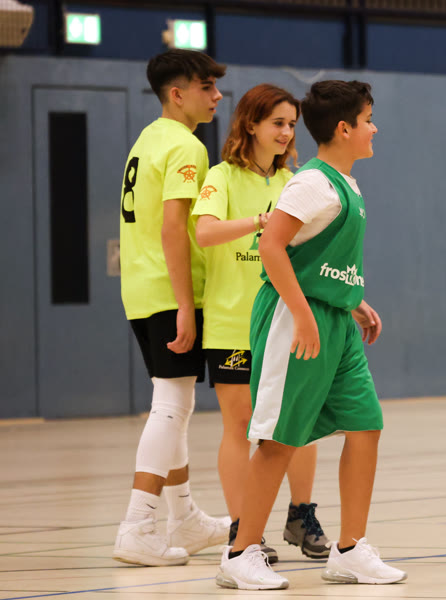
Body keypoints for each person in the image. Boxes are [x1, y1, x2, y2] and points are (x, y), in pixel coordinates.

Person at [215, 80, 407, 590]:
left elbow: (314, 257)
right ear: (344, 128)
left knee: (365, 425)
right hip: (294, 319)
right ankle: (240, 553)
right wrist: (303, 314)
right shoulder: (312, 183)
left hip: (335, 321)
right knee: (281, 439)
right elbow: (271, 246)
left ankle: (350, 551)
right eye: (368, 120)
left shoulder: (345, 183)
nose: (374, 129)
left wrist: (351, 300)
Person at [193, 83, 330, 565]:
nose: (287, 132)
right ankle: (241, 526)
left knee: (301, 421)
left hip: (284, 322)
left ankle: (301, 514)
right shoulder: (222, 177)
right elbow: (205, 232)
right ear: (250, 124)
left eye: (292, 124)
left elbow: (311, 257)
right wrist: (258, 222)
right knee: (241, 427)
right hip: (232, 324)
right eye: (277, 123)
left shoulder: (295, 181)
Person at [113, 49, 230, 566]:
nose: (217, 95)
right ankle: (138, 524)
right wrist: (186, 303)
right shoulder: (186, 146)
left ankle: (184, 517)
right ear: (178, 94)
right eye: (207, 87)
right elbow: (172, 227)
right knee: (172, 406)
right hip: (170, 291)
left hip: (142, 290)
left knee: (176, 401)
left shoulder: (147, 140)